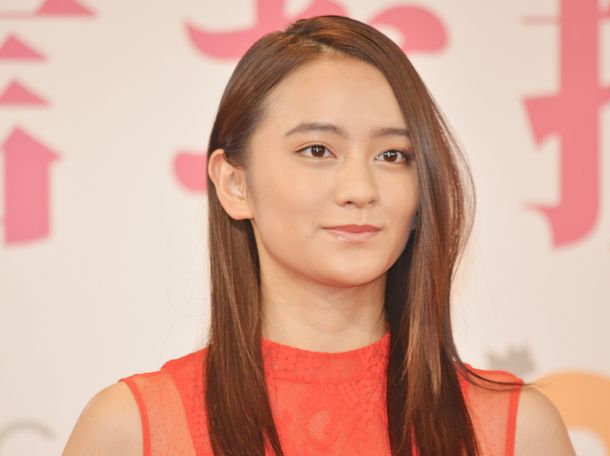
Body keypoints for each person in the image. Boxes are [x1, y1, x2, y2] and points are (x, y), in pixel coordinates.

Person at [62, 15, 575, 455]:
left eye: (392, 155)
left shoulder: (515, 431)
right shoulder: (132, 432)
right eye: (317, 151)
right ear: (235, 184)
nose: (360, 189)